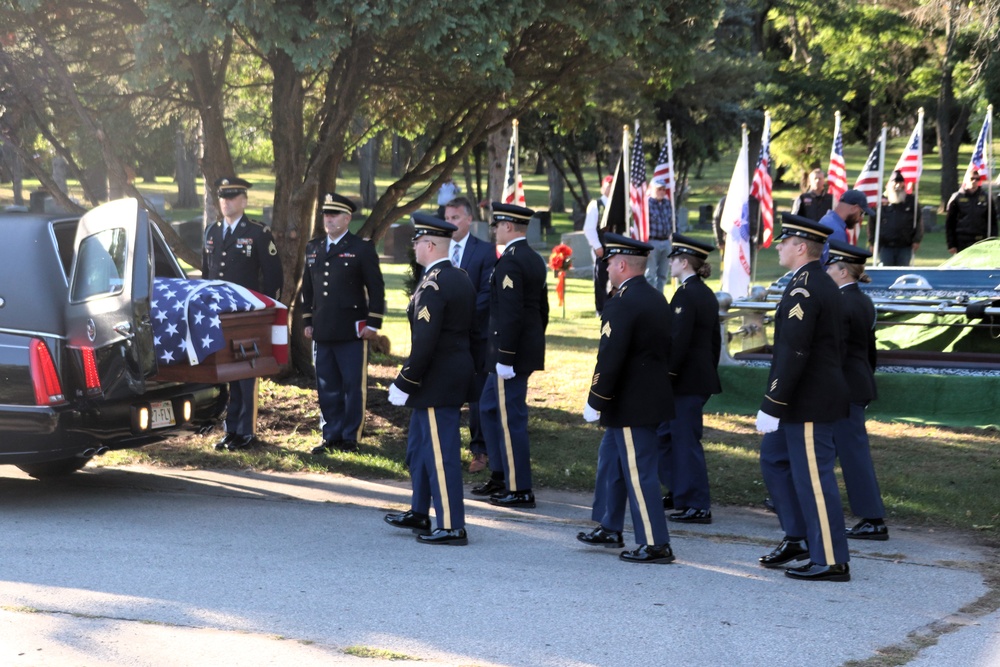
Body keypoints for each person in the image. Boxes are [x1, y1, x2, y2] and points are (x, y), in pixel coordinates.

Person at [755, 213, 852, 582]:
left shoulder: (806, 285)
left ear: (800, 247)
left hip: (808, 398)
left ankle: (830, 557)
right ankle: (799, 537)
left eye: (784, 242)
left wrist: (773, 403)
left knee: (814, 477)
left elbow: (796, 349)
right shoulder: (807, 280)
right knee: (775, 460)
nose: (778, 247)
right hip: (799, 396)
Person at [577, 233, 676, 564]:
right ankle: (610, 525)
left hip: (630, 403)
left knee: (639, 472)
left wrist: (596, 398)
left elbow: (610, 356)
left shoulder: (622, 302)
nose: (606, 270)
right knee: (614, 463)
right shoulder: (654, 297)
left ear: (621, 264)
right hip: (643, 399)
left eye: (608, 264)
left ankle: (655, 542)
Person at [384, 214, 476, 546]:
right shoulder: (459, 277)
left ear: (431, 245)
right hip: (443, 376)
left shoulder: (434, 283)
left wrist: (405, 380)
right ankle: (420, 510)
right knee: (420, 449)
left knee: (441, 454)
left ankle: (452, 524)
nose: (415, 246)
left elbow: (426, 341)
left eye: (418, 241)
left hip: (436, 379)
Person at [471, 202, 548, 508]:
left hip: (509, 355)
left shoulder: (513, 262)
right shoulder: (529, 258)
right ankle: (501, 474)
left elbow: (513, 314)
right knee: (490, 408)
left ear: (509, 227)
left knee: (509, 419)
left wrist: (507, 356)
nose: (494, 230)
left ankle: (520, 488)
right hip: (508, 352)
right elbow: (541, 312)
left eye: (498, 225)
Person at [203, 177, 284, 451]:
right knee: (227, 372)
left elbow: (273, 277)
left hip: (249, 317)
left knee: (246, 372)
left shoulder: (258, 233)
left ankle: (246, 431)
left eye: (233, 196)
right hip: (221, 316)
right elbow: (207, 275)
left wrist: (268, 313)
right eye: (223, 197)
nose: (226, 201)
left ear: (244, 200)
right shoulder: (212, 232)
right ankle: (231, 429)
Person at [301, 193, 385, 455]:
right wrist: (307, 320)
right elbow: (308, 288)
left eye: (334, 214)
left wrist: (373, 322)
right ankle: (331, 435)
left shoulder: (361, 248)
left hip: (351, 329)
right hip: (323, 328)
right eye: (326, 214)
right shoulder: (313, 247)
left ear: (348, 218)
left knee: (352, 385)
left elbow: (376, 287)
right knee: (326, 385)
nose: (329, 219)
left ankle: (351, 436)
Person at [825, 239, 889, 541]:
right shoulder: (862, 300)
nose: (825, 269)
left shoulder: (841, 302)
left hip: (844, 387)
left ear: (842, 271)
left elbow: (835, 352)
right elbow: (869, 350)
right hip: (857, 382)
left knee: (853, 454)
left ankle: (873, 518)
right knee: (837, 449)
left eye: (830, 265)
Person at [664, 234, 721, 525]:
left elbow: (678, 340)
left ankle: (697, 504)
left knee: (685, 442)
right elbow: (714, 342)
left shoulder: (687, 294)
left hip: (685, 380)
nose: (670, 262)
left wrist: (666, 376)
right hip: (695, 377)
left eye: (674, 258)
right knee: (666, 437)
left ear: (684, 262)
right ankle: (680, 490)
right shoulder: (704, 292)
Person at [443, 196, 495, 473]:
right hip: (443, 335)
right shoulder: (438, 247)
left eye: (455, 218)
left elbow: (487, 293)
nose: (449, 223)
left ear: (468, 220)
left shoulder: (485, 251)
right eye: (447, 218)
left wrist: (462, 318)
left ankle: (479, 450)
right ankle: (446, 446)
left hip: (476, 335)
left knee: (477, 395)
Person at [870, 170, 922, 266]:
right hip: (885, 246)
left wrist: (917, 240)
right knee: (886, 274)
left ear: (904, 184)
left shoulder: (911, 201)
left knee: (903, 273)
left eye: (900, 182)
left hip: (905, 246)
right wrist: (872, 242)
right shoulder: (880, 202)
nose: (898, 185)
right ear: (890, 184)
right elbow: (872, 223)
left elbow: (918, 221)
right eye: (895, 182)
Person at [582, 175, 613, 316]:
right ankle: (601, 309)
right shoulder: (596, 204)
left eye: (613, 185)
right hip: (602, 247)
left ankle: (613, 305)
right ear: (602, 187)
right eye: (608, 185)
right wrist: (597, 246)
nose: (610, 188)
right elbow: (589, 228)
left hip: (616, 248)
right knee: (601, 279)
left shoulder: (620, 205)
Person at [945, 169, 997, 254]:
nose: (974, 181)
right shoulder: (956, 198)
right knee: (963, 267)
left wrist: (992, 240)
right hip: (962, 241)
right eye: (972, 178)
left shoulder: (986, 198)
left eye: (977, 179)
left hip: (981, 240)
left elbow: (992, 221)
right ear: (966, 180)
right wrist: (951, 244)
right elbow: (950, 223)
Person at [644, 178, 674, 292]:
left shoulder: (667, 204)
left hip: (666, 242)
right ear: (652, 189)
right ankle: (650, 299)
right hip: (652, 242)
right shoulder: (647, 204)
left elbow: (673, 222)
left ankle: (660, 298)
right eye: (658, 189)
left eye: (663, 189)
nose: (661, 191)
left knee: (663, 274)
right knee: (650, 274)